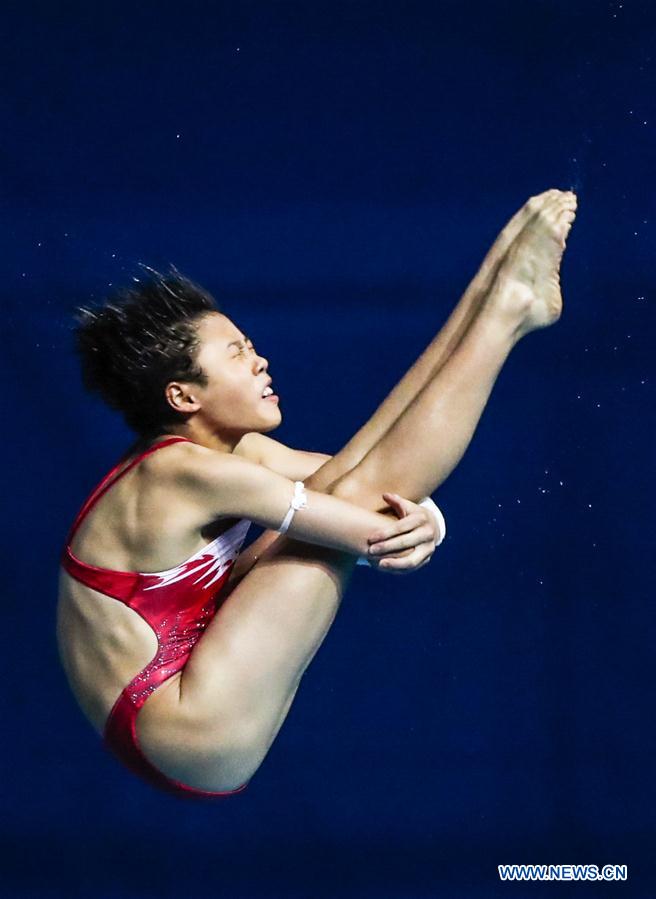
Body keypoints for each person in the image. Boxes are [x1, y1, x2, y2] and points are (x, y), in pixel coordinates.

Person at [57, 188, 577, 799]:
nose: (261, 362)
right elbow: (371, 516)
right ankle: (505, 311)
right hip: (185, 728)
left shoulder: (228, 454)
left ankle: (494, 291)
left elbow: (362, 463)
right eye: (238, 354)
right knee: (357, 494)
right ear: (183, 397)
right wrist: (410, 522)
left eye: (251, 346)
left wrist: (425, 514)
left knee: (352, 475)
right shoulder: (177, 473)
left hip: (188, 683)